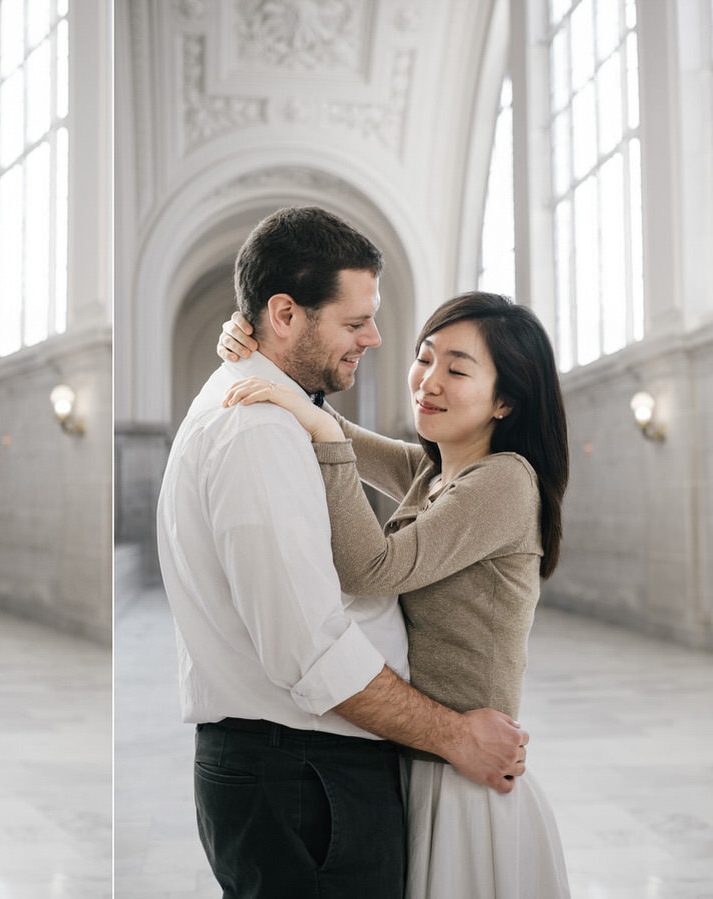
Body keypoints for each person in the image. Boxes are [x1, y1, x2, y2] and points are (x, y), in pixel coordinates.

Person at [155, 206, 527, 898]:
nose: (376, 338)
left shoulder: (481, 476)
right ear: (287, 314)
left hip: (315, 765)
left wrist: (284, 385)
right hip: (305, 771)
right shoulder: (259, 431)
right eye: (356, 322)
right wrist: (452, 735)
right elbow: (312, 650)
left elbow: (344, 443)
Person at [219, 291, 571, 897]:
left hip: (465, 784)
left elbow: (370, 567)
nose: (428, 381)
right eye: (424, 357)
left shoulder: (506, 482)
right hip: (430, 759)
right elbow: (343, 436)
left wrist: (320, 431)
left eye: (457, 369)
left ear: (506, 399)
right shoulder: (437, 473)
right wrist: (261, 357)